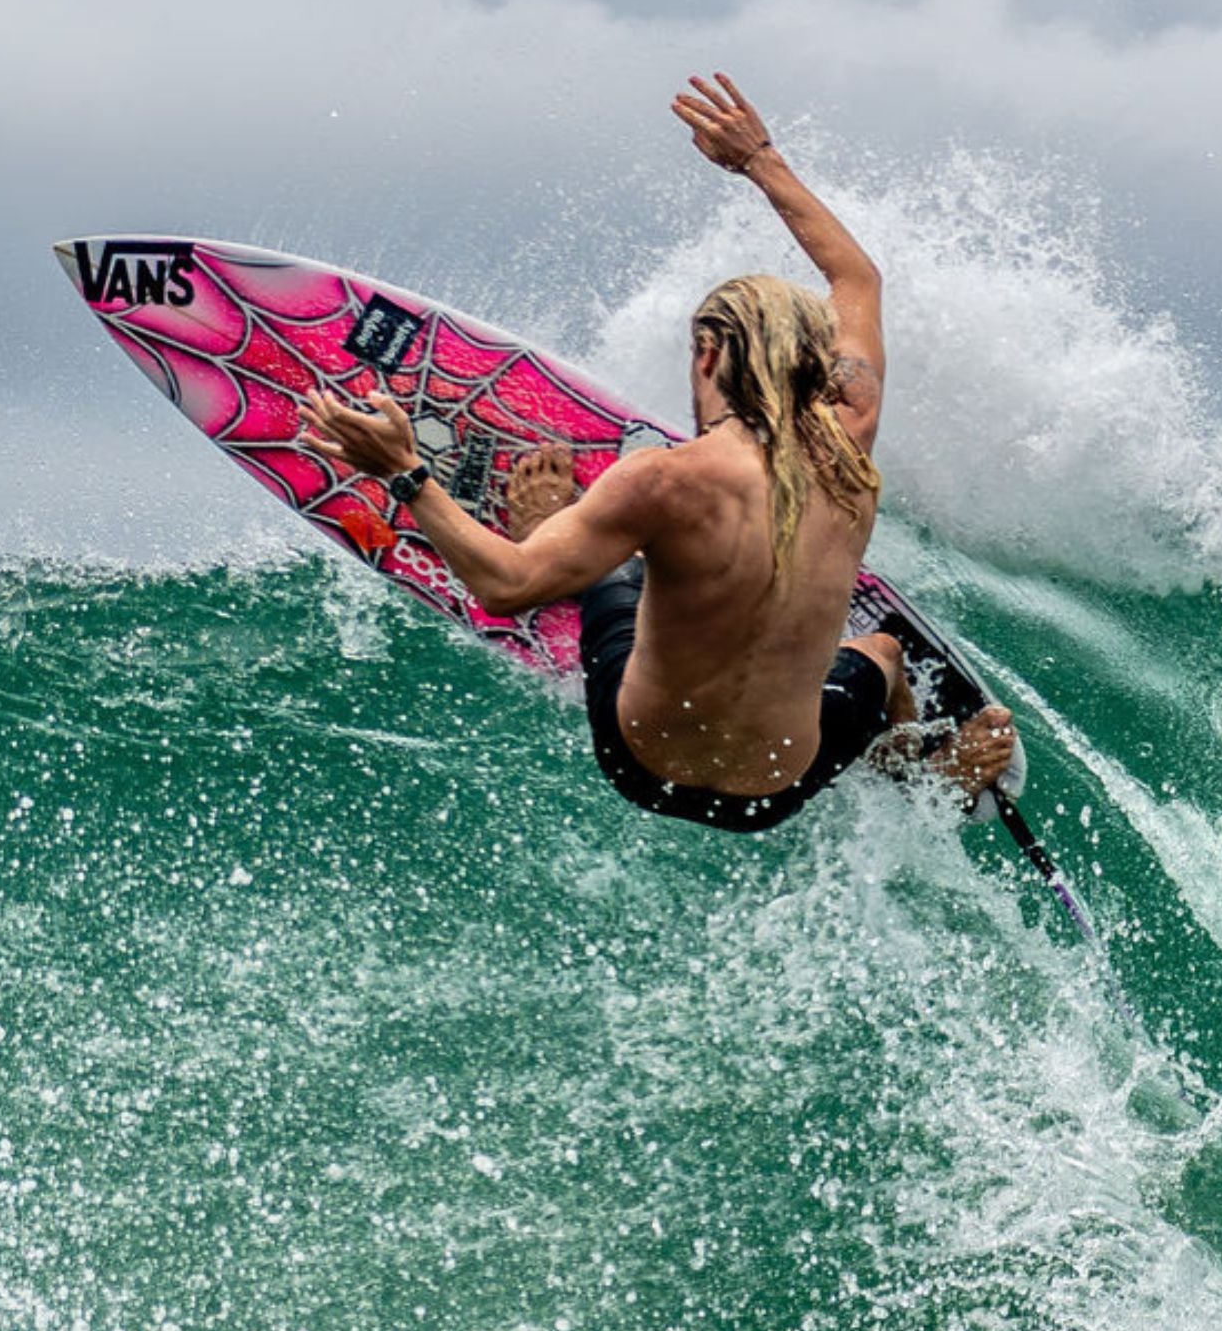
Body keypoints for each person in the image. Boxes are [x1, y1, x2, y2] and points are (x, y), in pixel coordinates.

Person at [298, 72, 1015, 833]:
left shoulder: (664, 481)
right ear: (814, 363)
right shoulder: (853, 443)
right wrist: (760, 159)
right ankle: (912, 764)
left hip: (640, 763)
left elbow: (504, 588)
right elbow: (856, 277)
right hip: (779, 789)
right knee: (879, 651)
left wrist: (405, 472)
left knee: (615, 567)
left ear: (708, 355)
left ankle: (553, 521)